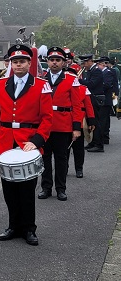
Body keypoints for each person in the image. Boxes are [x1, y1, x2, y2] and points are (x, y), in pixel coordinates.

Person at [0, 44, 53, 246]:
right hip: (6, 141)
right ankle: (13, 226)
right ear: (11, 64)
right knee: (8, 188)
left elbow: (47, 118)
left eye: (22, 61)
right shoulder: (0, 85)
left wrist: (36, 141)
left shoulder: (41, 85)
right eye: (15, 61)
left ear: (29, 63)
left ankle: (29, 228)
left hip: (28, 141)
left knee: (27, 189)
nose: (18, 64)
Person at [37, 47, 82, 201]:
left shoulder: (71, 79)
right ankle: (46, 188)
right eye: (52, 60)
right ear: (47, 62)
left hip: (63, 125)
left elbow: (77, 106)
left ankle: (61, 189)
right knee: (45, 158)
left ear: (64, 63)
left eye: (58, 60)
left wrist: (76, 128)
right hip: (44, 126)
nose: (54, 62)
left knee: (61, 159)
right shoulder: (40, 79)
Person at [64, 66, 95, 178]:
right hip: (65, 122)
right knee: (64, 149)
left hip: (79, 121)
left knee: (78, 148)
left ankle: (79, 168)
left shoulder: (83, 88)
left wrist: (91, 120)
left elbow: (88, 106)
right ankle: (64, 168)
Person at [78, 54, 105, 152]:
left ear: (90, 61)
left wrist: (79, 81)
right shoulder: (90, 71)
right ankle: (93, 141)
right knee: (91, 121)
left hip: (96, 98)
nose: (84, 65)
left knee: (96, 121)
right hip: (91, 98)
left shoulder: (96, 71)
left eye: (85, 63)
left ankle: (99, 144)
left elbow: (92, 84)